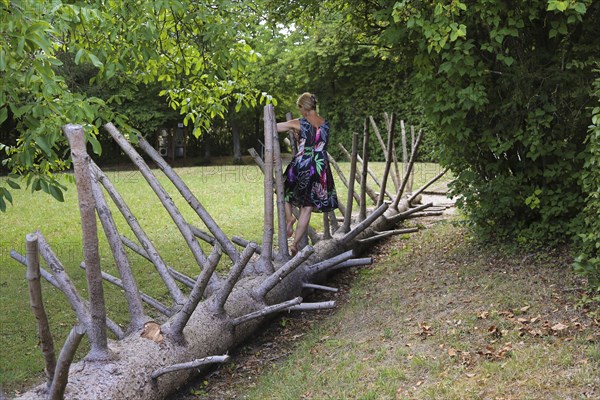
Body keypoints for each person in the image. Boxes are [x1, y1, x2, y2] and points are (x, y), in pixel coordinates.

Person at [276, 92, 339, 256]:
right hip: (320, 167)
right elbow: (317, 140)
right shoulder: (325, 124)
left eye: (300, 109)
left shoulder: (300, 122)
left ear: (304, 108)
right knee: (307, 208)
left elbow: (274, 126)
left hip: (304, 163)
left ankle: (289, 218)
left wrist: (292, 129)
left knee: (283, 190)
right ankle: (295, 244)